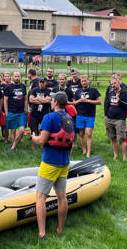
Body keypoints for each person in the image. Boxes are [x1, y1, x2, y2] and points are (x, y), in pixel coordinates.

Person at [32, 92, 74, 240]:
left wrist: (33, 137)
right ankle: (60, 229)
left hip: (50, 162)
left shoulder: (49, 117)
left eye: (52, 99)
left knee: (40, 197)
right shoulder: (69, 119)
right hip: (64, 163)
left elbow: (42, 140)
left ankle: (42, 233)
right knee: (62, 197)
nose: (51, 101)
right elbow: (71, 144)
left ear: (55, 102)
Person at [72, 75, 101, 157]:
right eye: (82, 81)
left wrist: (88, 101)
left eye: (85, 81)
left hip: (90, 115)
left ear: (88, 81)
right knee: (81, 134)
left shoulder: (93, 90)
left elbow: (99, 102)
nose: (83, 82)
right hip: (80, 115)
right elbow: (74, 102)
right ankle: (84, 150)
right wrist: (79, 100)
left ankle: (88, 152)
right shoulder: (78, 91)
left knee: (88, 134)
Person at [104, 77, 127, 161]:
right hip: (109, 118)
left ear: (119, 83)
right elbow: (106, 103)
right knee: (112, 138)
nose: (113, 85)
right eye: (111, 84)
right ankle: (115, 155)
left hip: (119, 119)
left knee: (121, 139)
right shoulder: (110, 92)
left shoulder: (124, 93)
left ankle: (124, 157)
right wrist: (106, 115)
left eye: (114, 83)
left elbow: (126, 106)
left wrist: (119, 100)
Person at [4, 71, 28, 151]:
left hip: (21, 113)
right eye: (15, 76)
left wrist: (26, 110)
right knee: (13, 130)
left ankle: (13, 146)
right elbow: (5, 101)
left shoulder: (23, 86)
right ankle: (13, 146)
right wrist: (7, 113)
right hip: (12, 112)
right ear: (12, 77)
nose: (17, 78)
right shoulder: (8, 87)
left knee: (22, 130)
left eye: (18, 76)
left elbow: (25, 99)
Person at [28, 78, 52, 148]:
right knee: (33, 130)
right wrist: (42, 100)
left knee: (43, 129)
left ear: (46, 83)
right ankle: (33, 146)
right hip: (35, 113)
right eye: (40, 82)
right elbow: (31, 99)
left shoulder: (48, 91)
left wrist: (37, 99)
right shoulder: (35, 89)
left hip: (44, 113)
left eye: (43, 82)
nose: (41, 83)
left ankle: (42, 145)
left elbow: (48, 101)